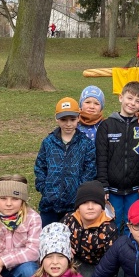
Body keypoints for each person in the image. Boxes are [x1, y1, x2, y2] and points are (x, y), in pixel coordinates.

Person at [95, 81, 139, 233]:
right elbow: (101, 158)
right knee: (112, 224)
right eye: (129, 98)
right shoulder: (107, 126)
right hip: (112, 190)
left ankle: (131, 247)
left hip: (135, 190)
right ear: (121, 97)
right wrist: (103, 186)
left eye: (138, 101)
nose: (132, 103)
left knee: (133, 223)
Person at [34, 97, 96, 227]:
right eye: (63, 120)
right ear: (56, 118)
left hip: (73, 205)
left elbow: (90, 170)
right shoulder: (48, 142)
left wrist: (79, 191)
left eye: (72, 119)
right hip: (49, 203)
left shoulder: (86, 144)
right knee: (47, 235)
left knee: (71, 237)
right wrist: (44, 188)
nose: (68, 124)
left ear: (78, 118)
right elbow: (40, 166)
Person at [61, 180, 119, 277]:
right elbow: (54, 235)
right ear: (78, 206)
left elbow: (111, 261)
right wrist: (63, 246)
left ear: (102, 207)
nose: (90, 207)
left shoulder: (109, 229)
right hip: (72, 259)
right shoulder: (69, 219)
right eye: (85, 203)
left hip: (95, 265)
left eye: (95, 203)